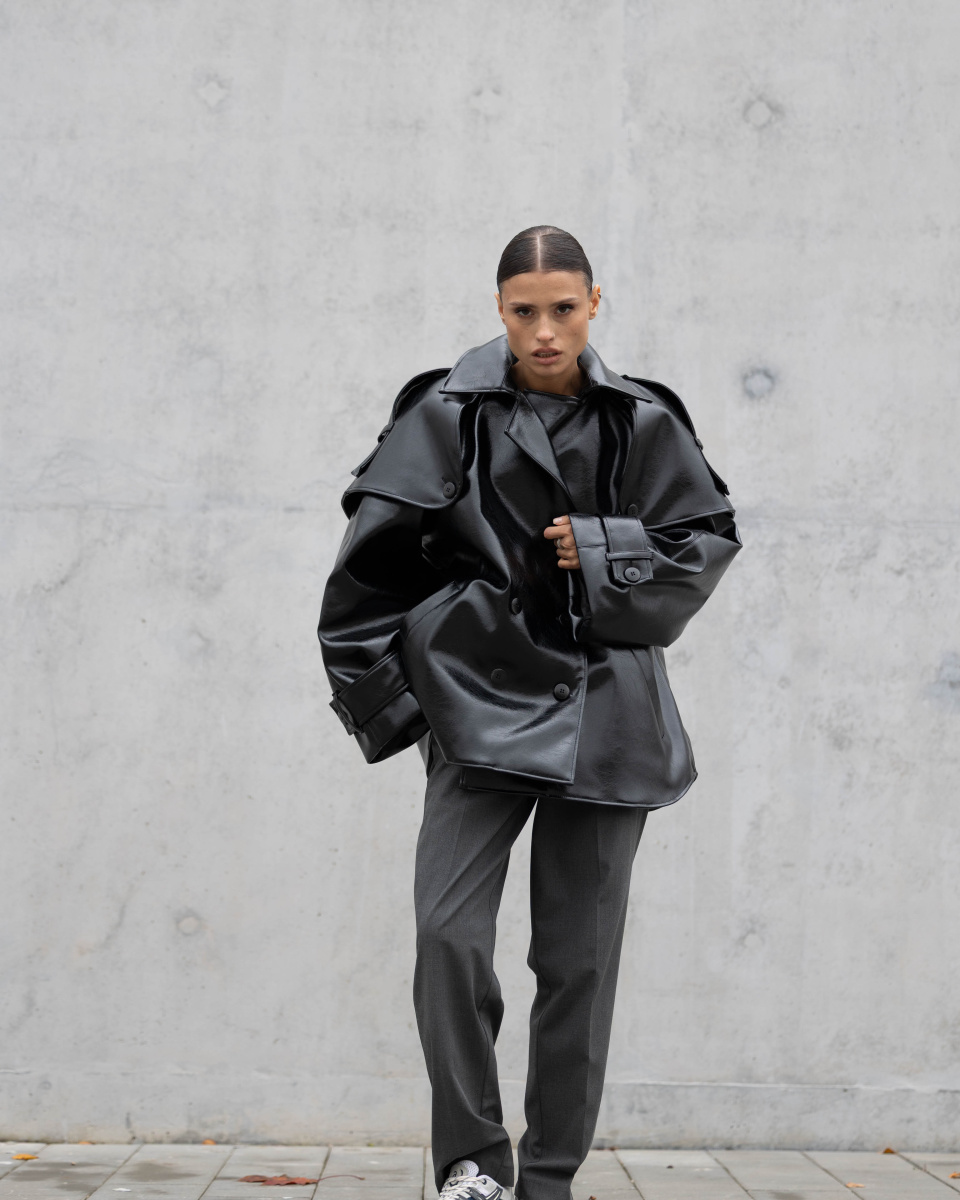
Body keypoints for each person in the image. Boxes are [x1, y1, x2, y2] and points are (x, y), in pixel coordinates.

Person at [318, 227, 742, 1200]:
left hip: (610, 714)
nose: (544, 331)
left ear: (595, 303)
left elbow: (704, 548)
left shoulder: (644, 420)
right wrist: (406, 704)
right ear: (499, 311)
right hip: (475, 707)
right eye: (524, 311)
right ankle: (473, 1164)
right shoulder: (446, 412)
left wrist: (599, 548)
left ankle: (548, 1179)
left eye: (562, 308)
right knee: (448, 938)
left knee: (577, 965)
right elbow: (368, 573)